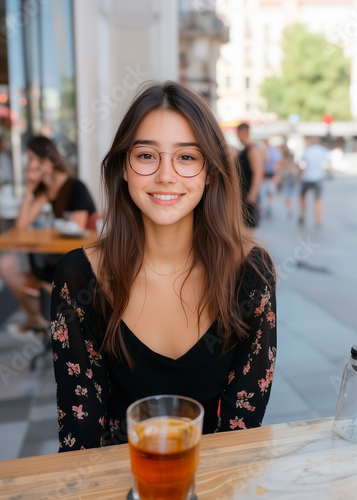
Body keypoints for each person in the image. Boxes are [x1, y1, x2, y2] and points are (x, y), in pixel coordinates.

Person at [51, 81, 277, 452]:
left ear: (209, 172)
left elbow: (241, 431)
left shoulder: (250, 274)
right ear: (124, 167)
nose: (166, 175)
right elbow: (81, 439)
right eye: (146, 155)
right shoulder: (79, 277)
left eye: (186, 157)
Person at [0, 135, 97, 336]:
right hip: (49, 257)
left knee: (43, 284)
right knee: (5, 264)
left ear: (46, 161)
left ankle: (47, 320)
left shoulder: (75, 186)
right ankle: (39, 319)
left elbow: (75, 230)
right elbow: (21, 225)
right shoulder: (44, 191)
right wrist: (29, 190)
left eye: (31, 158)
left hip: (77, 261)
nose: (28, 165)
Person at [236, 123, 264, 229]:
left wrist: (253, 193)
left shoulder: (252, 149)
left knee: (248, 230)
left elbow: (258, 172)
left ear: (243, 133)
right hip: (243, 193)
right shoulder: (246, 149)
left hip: (248, 194)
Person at [298, 136, 330, 227]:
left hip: (306, 177)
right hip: (318, 178)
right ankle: (318, 220)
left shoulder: (307, 150)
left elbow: (302, 165)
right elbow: (327, 162)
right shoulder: (323, 150)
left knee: (302, 197)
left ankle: (302, 215)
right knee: (318, 200)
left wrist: (299, 175)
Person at [260, 139, 282, 219]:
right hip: (265, 174)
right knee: (266, 192)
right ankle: (266, 207)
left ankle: (267, 207)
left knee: (269, 191)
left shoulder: (272, 151)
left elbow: (277, 164)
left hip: (269, 174)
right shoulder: (262, 150)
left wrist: (277, 175)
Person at [277, 145, 298, 219]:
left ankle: (289, 209)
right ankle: (290, 208)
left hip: (287, 179)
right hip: (291, 179)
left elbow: (280, 170)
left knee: (287, 196)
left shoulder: (283, 160)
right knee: (289, 196)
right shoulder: (290, 159)